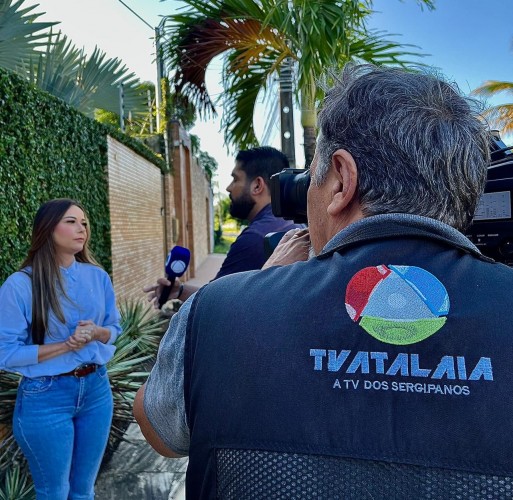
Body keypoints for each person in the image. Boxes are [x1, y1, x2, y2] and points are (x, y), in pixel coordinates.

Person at [134, 63, 513, 498]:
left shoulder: (218, 311)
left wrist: (258, 290)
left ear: (340, 180)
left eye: (311, 175)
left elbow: (159, 430)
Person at [0, 198, 122, 500]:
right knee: (54, 492)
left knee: (83, 491)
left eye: (84, 223)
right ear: (47, 228)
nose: (82, 229)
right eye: (71, 221)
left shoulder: (98, 276)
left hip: (96, 390)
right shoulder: (19, 285)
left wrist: (96, 332)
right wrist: (64, 346)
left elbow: (114, 331)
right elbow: (5, 353)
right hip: (45, 397)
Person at [143, 146, 301, 305]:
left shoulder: (255, 238)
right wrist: (180, 291)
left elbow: (214, 304)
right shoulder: (296, 223)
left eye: (236, 179)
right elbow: (217, 293)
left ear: (257, 186)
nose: (229, 188)